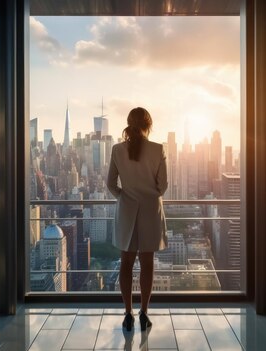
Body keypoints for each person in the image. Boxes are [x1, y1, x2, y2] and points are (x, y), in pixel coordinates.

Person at [107, 107, 168, 332]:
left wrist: (124, 197)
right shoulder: (158, 149)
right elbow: (163, 186)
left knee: (126, 263)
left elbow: (110, 184)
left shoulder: (117, 149)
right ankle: (144, 312)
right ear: (148, 124)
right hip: (150, 211)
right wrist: (149, 195)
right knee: (147, 264)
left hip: (127, 211)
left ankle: (127, 314)